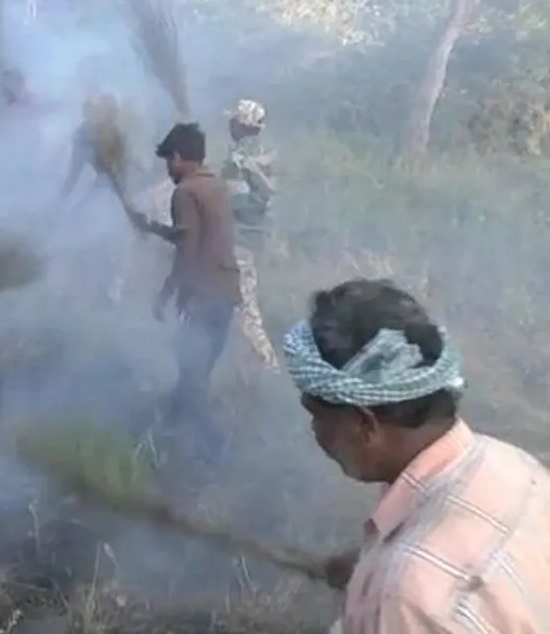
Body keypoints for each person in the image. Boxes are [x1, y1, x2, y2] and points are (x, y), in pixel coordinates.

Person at [283, 278, 550, 633]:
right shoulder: (515, 466)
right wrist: (373, 569)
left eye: (317, 415)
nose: (314, 430)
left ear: (365, 424)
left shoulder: (414, 599)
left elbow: (429, 591)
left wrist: (390, 582)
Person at [125, 123, 240, 431]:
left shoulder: (185, 192)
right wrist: (150, 226)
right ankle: (169, 434)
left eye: (168, 161)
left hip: (204, 295)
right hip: (226, 292)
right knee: (194, 375)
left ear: (177, 157)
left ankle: (210, 451)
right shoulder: (215, 184)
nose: (167, 169)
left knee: (192, 380)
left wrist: (166, 295)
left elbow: (187, 251)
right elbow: (191, 235)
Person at [222, 99, 279, 371]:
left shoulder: (238, 161)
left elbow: (236, 204)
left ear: (237, 126)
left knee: (246, 313)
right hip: (254, 238)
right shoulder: (266, 153)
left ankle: (269, 368)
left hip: (239, 241)